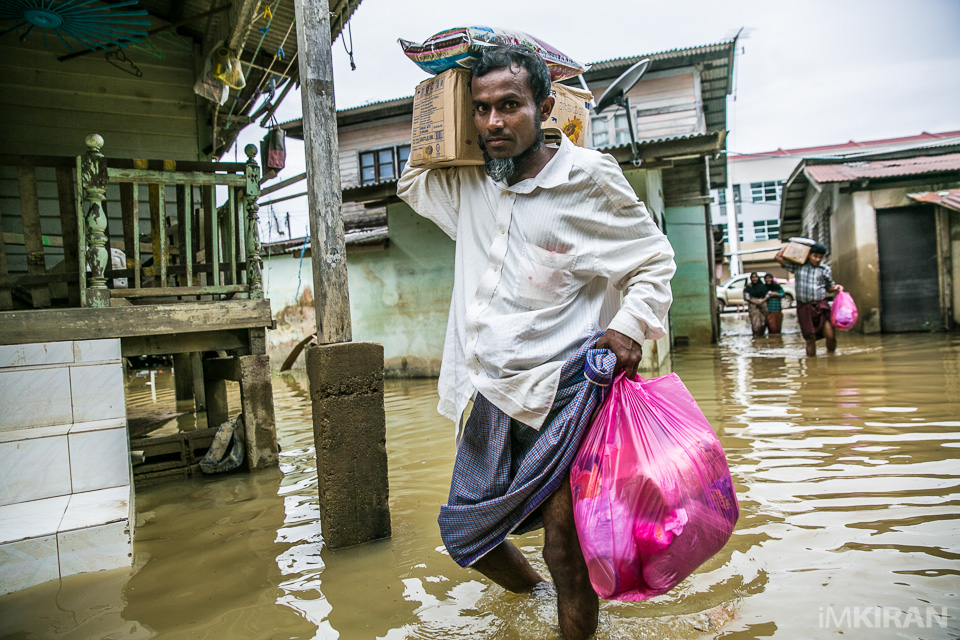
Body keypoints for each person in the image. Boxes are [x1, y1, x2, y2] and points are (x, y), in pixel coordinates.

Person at [397, 45, 676, 639]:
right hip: (490, 394)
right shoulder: (471, 183)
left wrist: (628, 326)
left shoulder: (588, 178)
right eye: (480, 109)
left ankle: (570, 616)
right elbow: (414, 176)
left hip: (568, 392)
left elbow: (655, 260)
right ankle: (537, 601)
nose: (494, 122)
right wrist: (447, 85)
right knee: (468, 538)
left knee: (564, 549)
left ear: (544, 107)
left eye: (510, 106)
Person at [774, 242, 843, 356]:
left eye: (820, 257)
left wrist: (835, 288)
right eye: (815, 256)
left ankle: (832, 359)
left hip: (821, 305)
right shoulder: (798, 266)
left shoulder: (824, 269)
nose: (817, 259)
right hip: (804, 307)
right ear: (809, 255)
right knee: (810, 338)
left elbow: (829, 287)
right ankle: (811, 365)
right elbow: (778, 257)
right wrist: (790, 245)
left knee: (830, 335)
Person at [743, 272, 769, 337]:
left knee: (763, 322)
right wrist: (756, 303)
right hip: (753, 306)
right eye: (753, 277)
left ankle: (762, 337)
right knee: (755, 323)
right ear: (751, 279)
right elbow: (746, 297)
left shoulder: (762, 286)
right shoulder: (748, 287)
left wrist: (761, 302)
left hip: (763, 304)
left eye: (755, 277)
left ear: (758, 278)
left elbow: (767, 295)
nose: (754, 279)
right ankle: (756, 337)